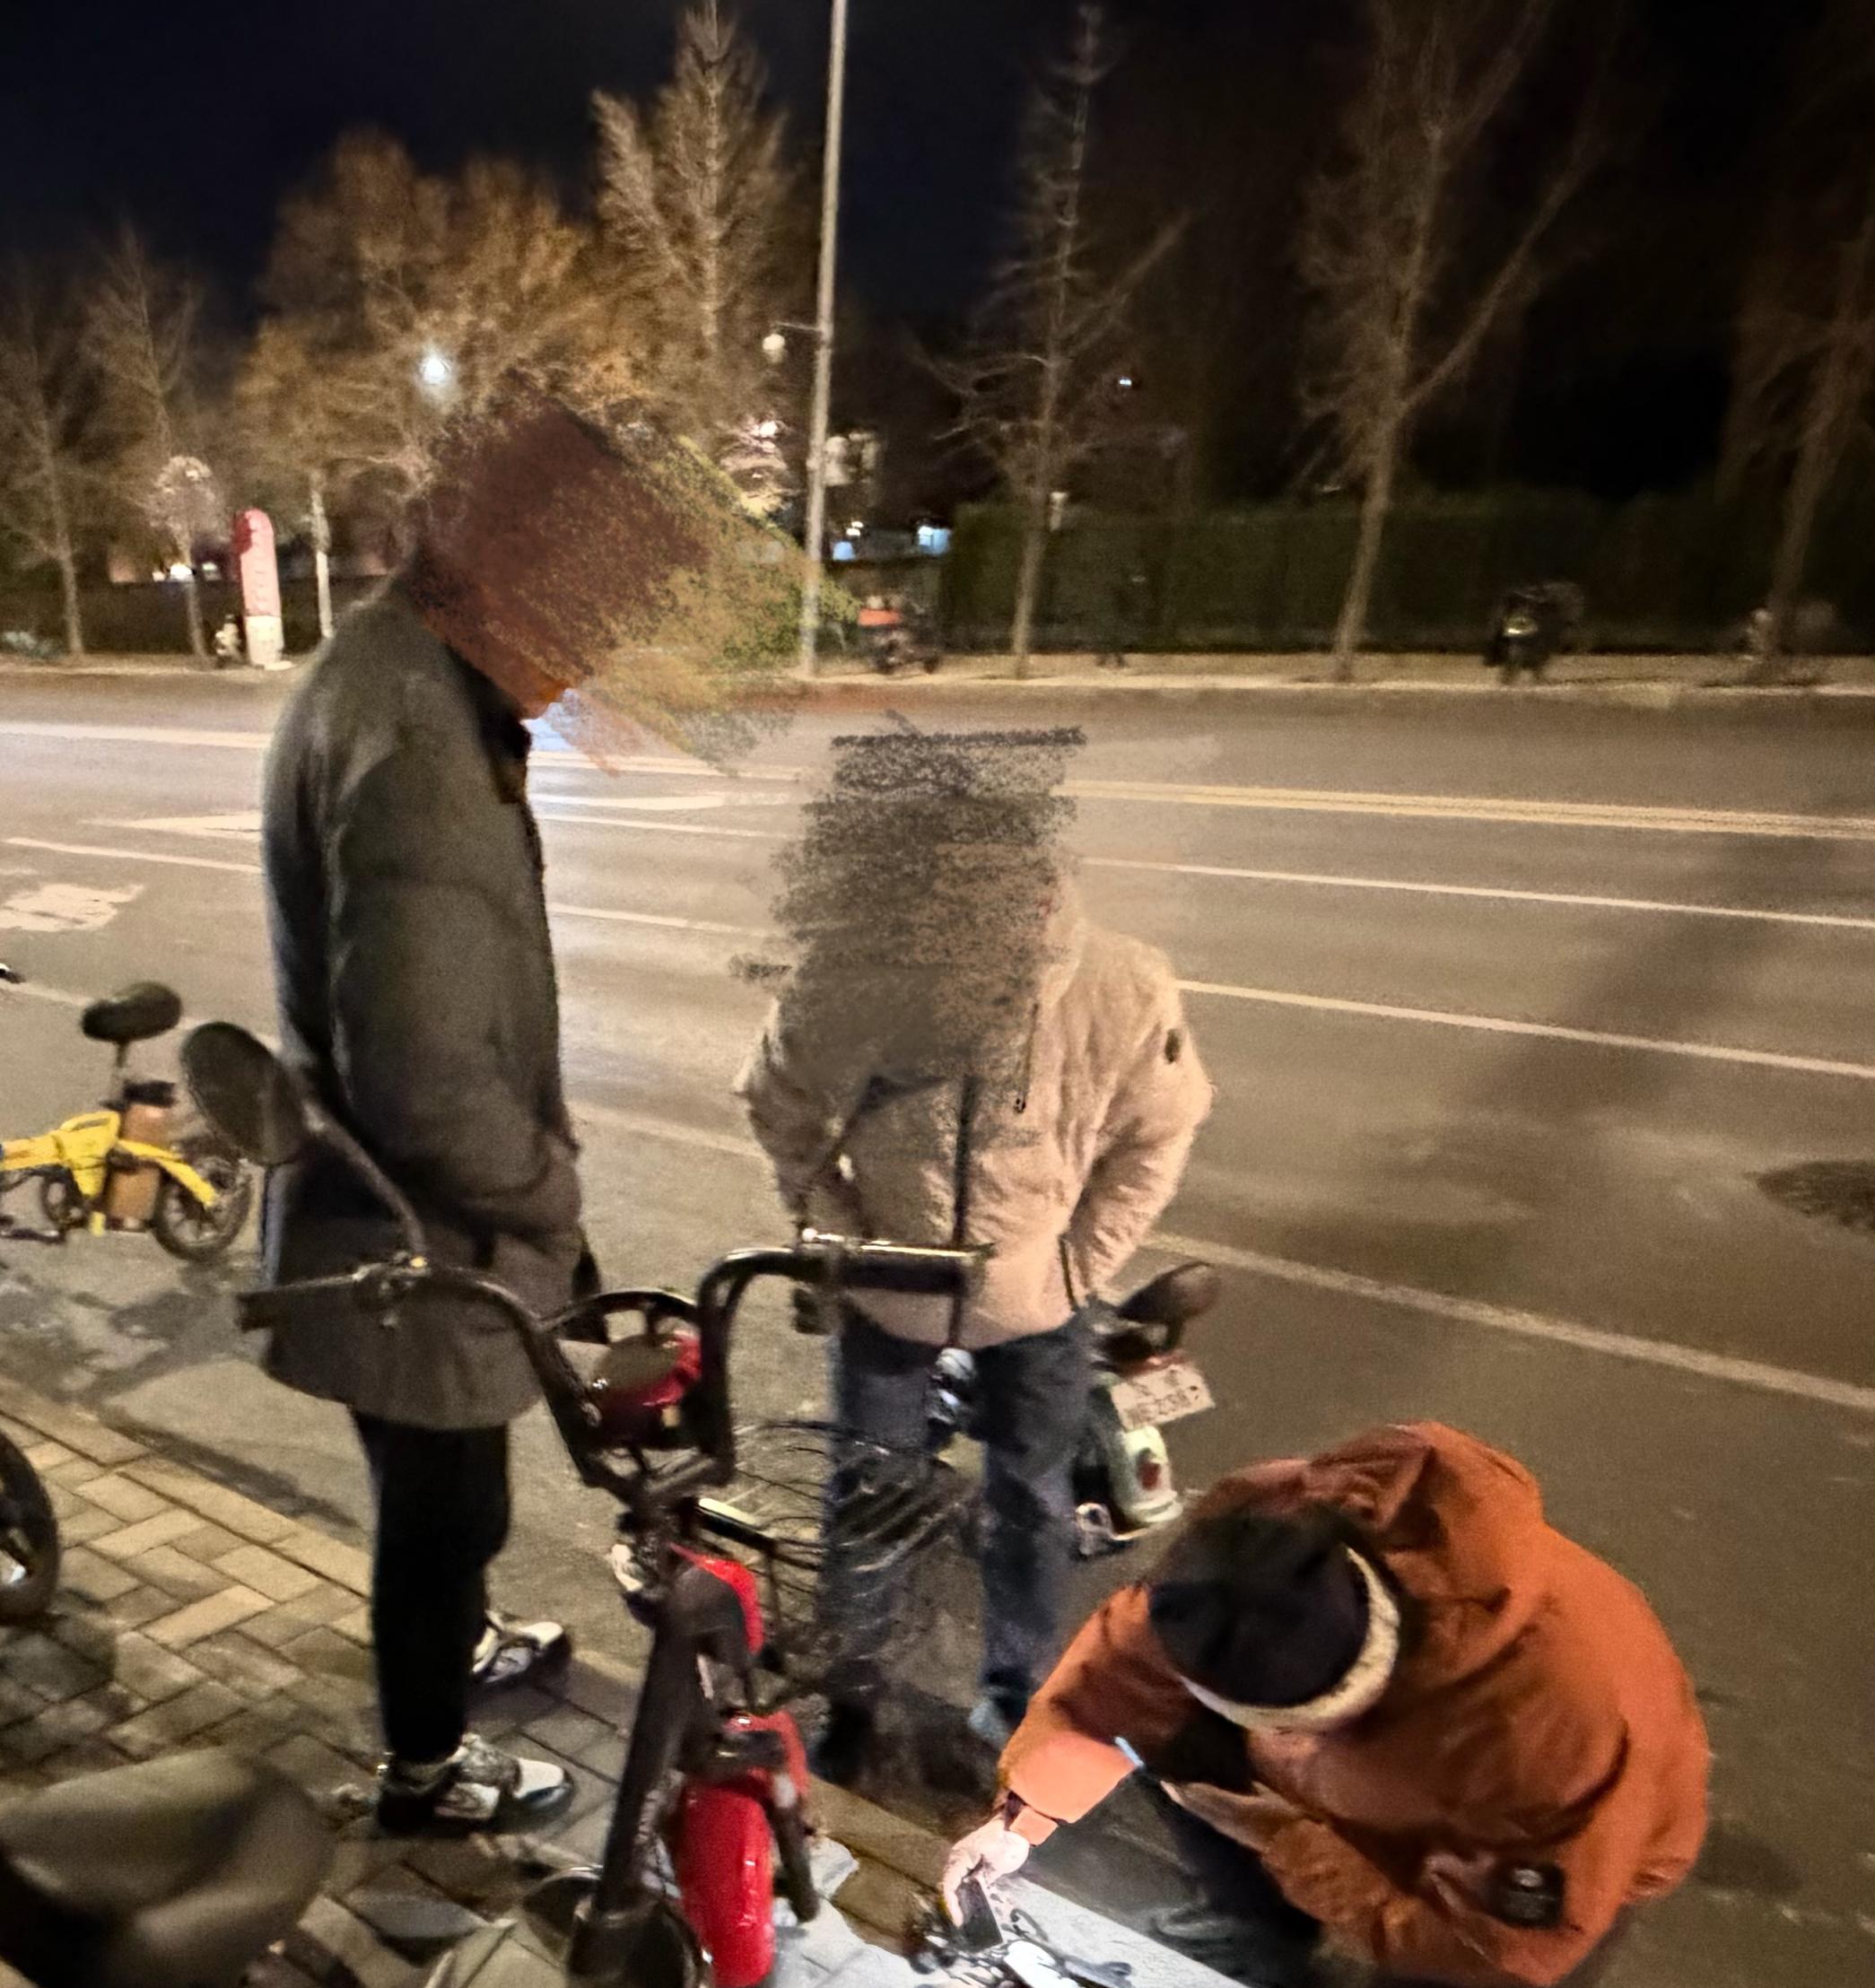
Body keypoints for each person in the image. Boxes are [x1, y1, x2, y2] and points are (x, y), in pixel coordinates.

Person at [251, 400, 719, 1833]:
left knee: (437, 1495)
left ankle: (450, 1652)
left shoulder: (386, 672)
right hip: (418, 1233)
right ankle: (427, 1766)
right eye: (593, 616)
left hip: (386, 1223)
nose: (596, 658)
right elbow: (430, 1080)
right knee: (446, 1511)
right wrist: (550, 1201)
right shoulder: (422, 751)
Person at [937, 1421, 1707, 1988]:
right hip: (1364, 1775)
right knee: (1172, 1740)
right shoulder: (1253, 1553)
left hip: (1543, 1844)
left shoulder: (1556, 1730)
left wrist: (1291, 1843)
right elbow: (1114, 1687)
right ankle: (1259, 1931)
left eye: (1290, 1725)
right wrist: (1018, 1819)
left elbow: (1489, 1941)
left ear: (1353, 1700)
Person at [741, 853, 1209, 1765]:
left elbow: (1160, 1131)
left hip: (1039, 1302)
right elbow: (776, 1102)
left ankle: (1017, 1696)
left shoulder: (1121, 983)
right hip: (888, 1295)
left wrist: (1076, 1267)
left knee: (1034, 1503)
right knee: (868, 1495)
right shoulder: (849, 976)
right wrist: (847, 1238)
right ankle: (853, 1692)